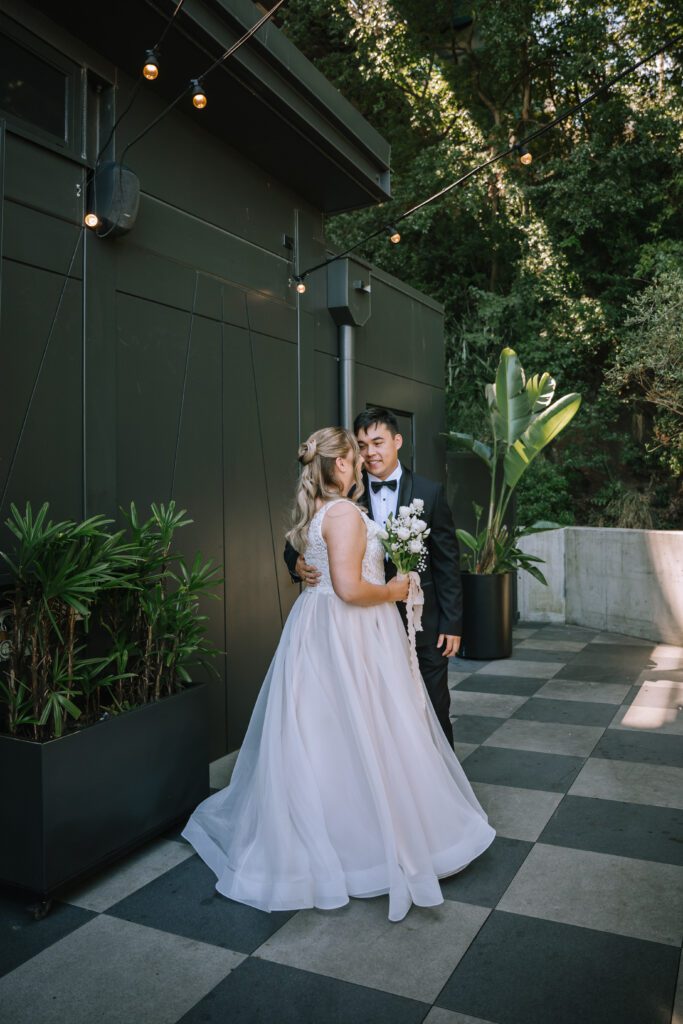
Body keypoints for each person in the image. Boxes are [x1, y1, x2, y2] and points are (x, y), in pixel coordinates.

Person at [183, 427, 494, 923]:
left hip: (323, 627)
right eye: (355, 453)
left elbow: (362, 563)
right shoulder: (346, 511)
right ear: (343, 464)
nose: (364, 458)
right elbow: (349, 588)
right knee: (364, 725)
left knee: (328, 730)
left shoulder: (321, 512)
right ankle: (367, 840)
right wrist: (394, 591)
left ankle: (345, 820)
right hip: (352, 630)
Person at [284, 408, 461, 747]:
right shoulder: (345, 492)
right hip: (360, 628)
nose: (369, 453)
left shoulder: (430, 491)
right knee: (372, 715)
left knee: (433, 707)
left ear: (397, 441)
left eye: (378, 442)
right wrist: (297, 564)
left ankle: (438, 785)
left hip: (421, 622)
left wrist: (452, 623)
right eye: (362, 445)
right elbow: (303, 539)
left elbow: (447, 563)